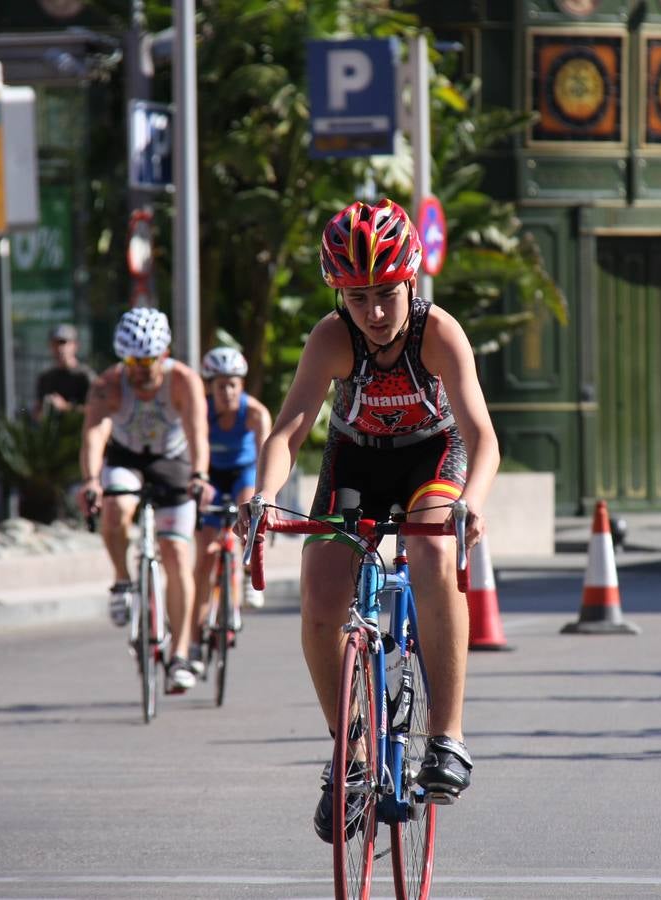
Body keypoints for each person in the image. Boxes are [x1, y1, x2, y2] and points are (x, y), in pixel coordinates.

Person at [241, 198, 499, 842]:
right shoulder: (331, 339)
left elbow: (483, 435)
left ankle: (448, 735)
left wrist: (476, 503)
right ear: (339, 299)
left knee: (434, 555)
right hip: (356, 459)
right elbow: (289, 429)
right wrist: (262, 494)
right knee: (321, 599)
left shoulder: (438, 332)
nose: (376, 313)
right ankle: (350, 758)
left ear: (411, 279)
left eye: (387, 294)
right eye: (357, 299)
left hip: (433, 455)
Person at [80, 307, 214, 694]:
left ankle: (181, 654)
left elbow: (197, 433)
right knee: (116, 506)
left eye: (149, 360)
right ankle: (122, 581)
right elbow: (93, 435)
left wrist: (200, 476)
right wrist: (91, 480)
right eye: (133, 361)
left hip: (172, 459)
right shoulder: (108, 384)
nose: (141, 369)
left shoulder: (182, 381)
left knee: (174, 553)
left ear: (165, 352)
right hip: (126, 456)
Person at [189, 345, 271, 676]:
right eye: (220, 385)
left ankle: (251, 570)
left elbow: (266, 456)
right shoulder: (200, 411)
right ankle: (194, 643)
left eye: (233, 384)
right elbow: (190, 449)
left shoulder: (254, 414)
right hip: (212, 476)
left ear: (242, 385)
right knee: (204, 558)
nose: (226, 392)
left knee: (249, 502)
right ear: (210, 387)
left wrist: (263, 495)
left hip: (244, 473)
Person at [33, 323, 95, 418]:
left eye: (63, 342)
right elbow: (37, 411)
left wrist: (65, 407)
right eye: (55, 343)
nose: (59, 348)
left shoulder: (85, 376)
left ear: (75, 345)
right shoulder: (46, 378)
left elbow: (96, 410)